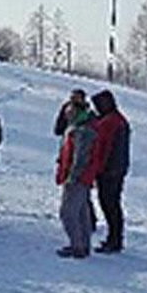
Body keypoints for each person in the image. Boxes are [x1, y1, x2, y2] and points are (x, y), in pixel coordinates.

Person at [55, 104, 101, 258]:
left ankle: (77, 246)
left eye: (70, 113)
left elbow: (80, 157)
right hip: (84, 177)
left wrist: (72, 176)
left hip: (78, 177)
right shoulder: (81, 128)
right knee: (82, 212)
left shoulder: (83, 131)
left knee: (68, 212)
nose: (67, 116)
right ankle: (83, 245)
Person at [91, 89, 131, 253]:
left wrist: (98, 168)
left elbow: (103, 147)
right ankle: (115, 238)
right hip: (117, 169)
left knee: (110, 204)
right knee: (112, 204)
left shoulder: (110, 122)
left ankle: (114, 239)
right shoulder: (118, 119)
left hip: (109, 170)